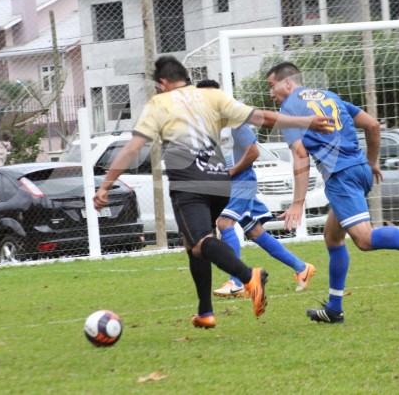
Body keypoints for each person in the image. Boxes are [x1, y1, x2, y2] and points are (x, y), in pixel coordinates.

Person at [93, 56, 335, 329]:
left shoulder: (160, 103)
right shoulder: (212, 97)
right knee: (193, 247)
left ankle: (247, 276)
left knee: (200, 242)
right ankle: (205, 312)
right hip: (220, 183)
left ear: (162, 83)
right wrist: (306, 121)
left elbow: (132, 148)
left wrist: (105, 185)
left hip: (189, 184)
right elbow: (261, 117)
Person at [266, 61, 399, 324]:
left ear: (287, 83)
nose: (271, 93)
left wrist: (298, 203)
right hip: (359, 170)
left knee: (364, 240)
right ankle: (334, 309)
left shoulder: (289, 109)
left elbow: (300, 154)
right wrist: (371, 162)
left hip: (342, 177)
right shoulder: (331, 96)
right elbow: (372, 125)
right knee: (333, 238)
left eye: (272, 86)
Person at [195, 79, 316, 297]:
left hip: (241, 182)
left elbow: (254, 152)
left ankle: (237, 282)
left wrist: (231, 172)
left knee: (224, 223)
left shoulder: (234, 120)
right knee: (254, 231)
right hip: (229, 184)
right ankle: (302, 267)